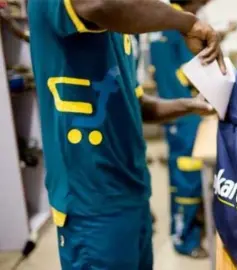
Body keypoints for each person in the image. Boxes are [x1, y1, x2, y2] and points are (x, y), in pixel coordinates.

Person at [27, 0, 225, 269]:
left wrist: (190, 106)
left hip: (132, 193)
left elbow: (137, 105)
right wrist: (186, 22)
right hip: (91, 202)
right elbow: (98, 5)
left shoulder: (121, 34)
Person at [149, 0, 237, 258]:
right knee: (186, 180)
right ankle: (183, 239)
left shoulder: (168, 22)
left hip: (180, 110)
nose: (204, 7)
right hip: (182, 114)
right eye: (202, 2)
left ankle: (191, 224)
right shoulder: (175, 24)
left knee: (188, 177)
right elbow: (188, 71)